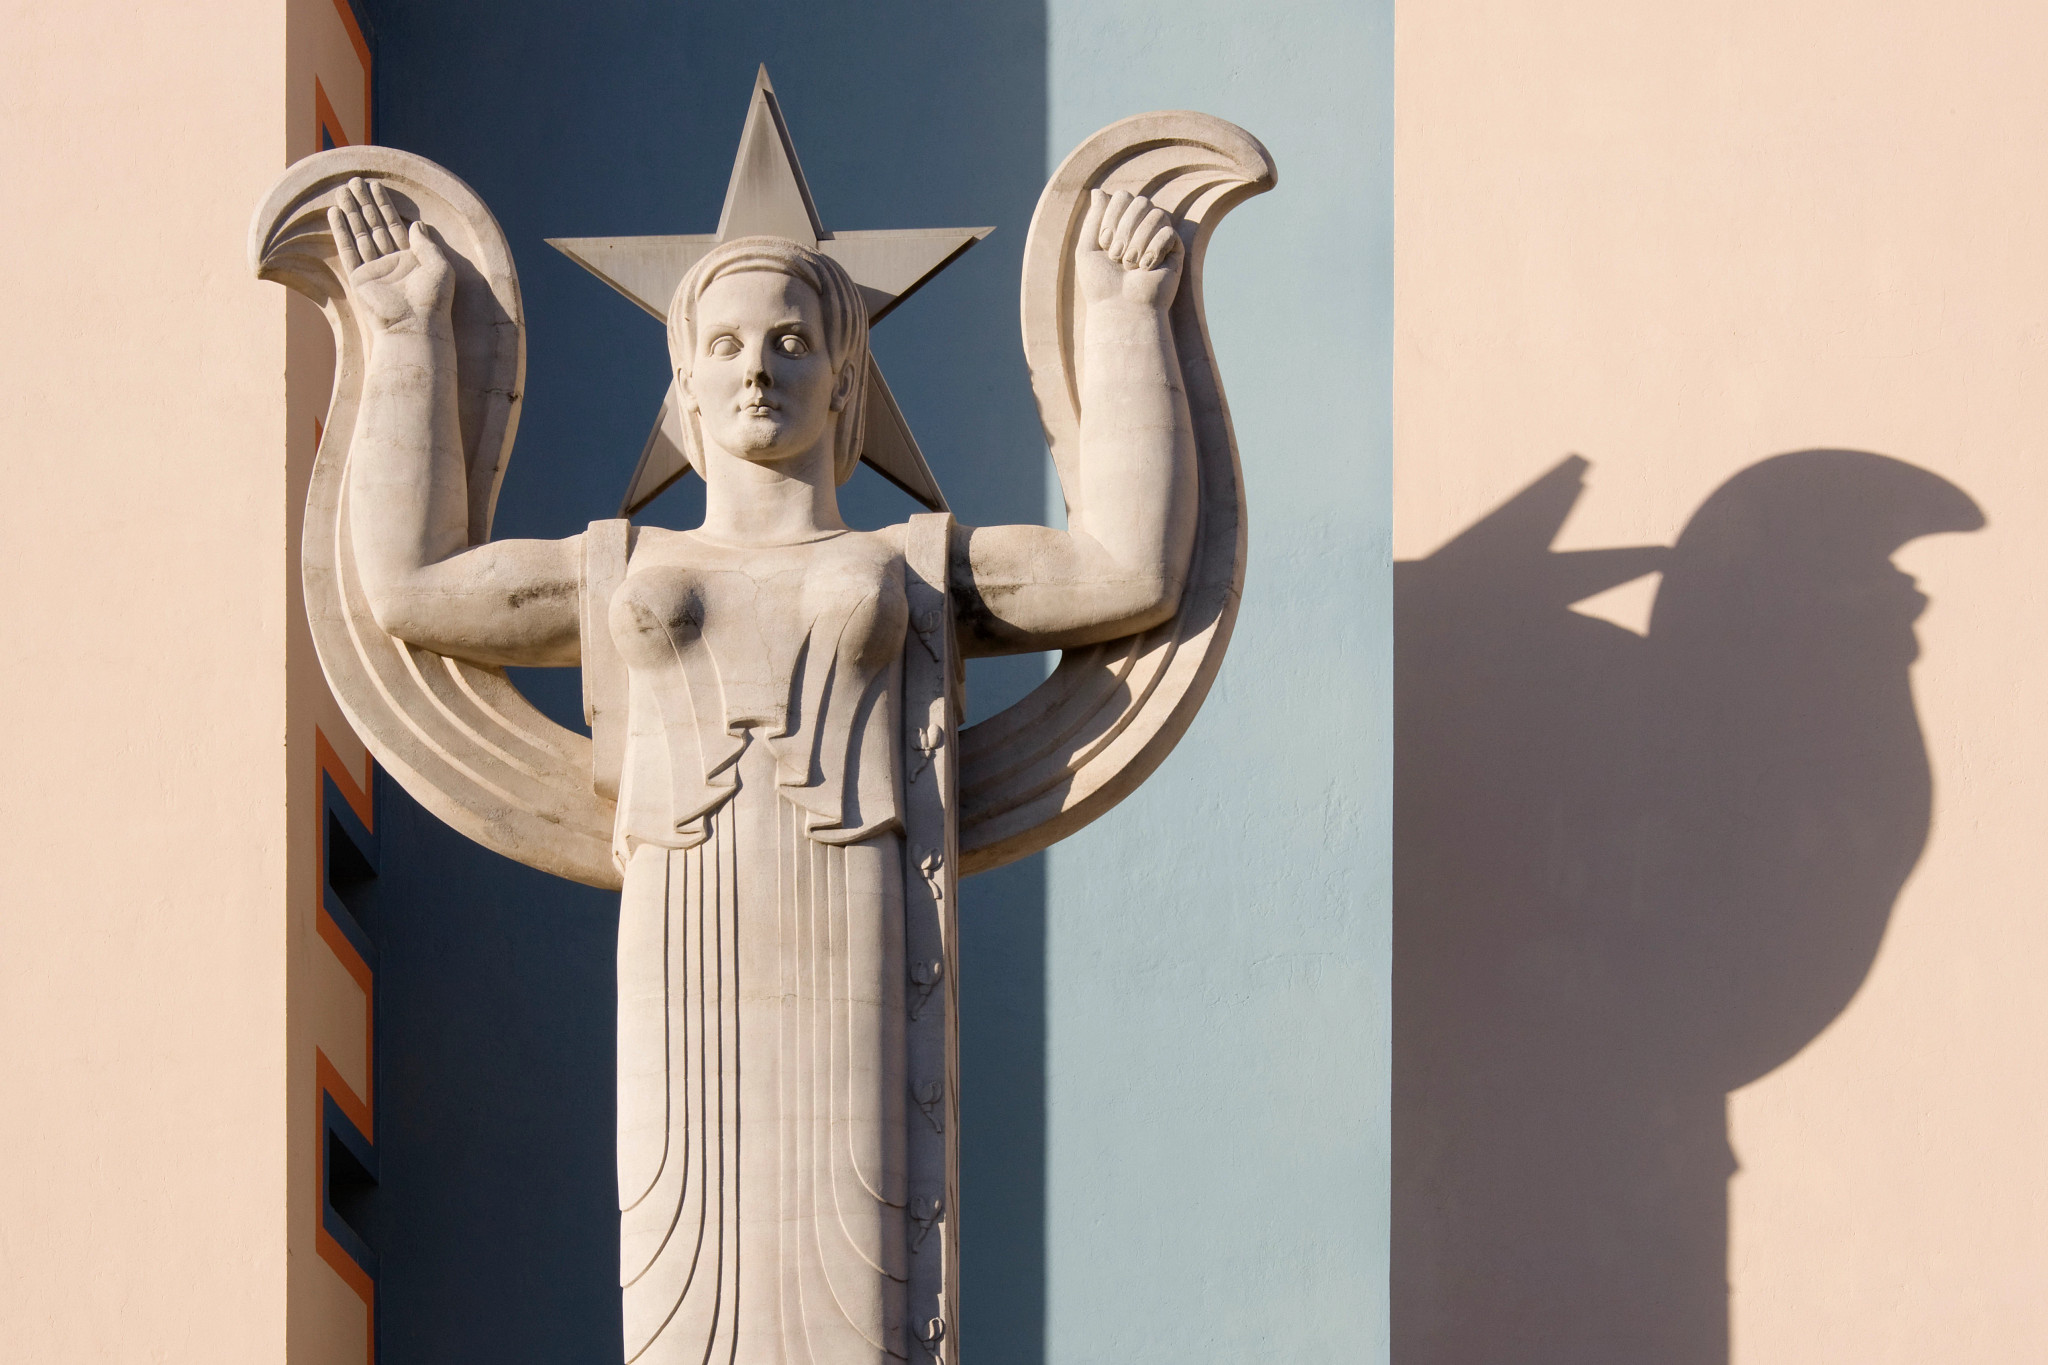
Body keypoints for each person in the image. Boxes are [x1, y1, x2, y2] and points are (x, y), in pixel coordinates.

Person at [327, 173, 1199, 1363]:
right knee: (680, 1245)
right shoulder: (617, 567)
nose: (757, 368)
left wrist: (1124, 312)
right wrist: (404, 328)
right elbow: (409, 591)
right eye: (726, 345)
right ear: (682, 386)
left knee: (858, 1254)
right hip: (682, 920)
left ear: (844, 382)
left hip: (852, 924)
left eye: (792, 342)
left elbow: (1125, 576)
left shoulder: (913, 562)